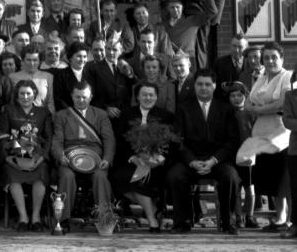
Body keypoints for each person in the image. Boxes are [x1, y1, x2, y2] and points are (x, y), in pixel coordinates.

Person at [165, 68, 241, 235]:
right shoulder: (183, 108)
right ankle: (182, 221)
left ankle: (228, 221)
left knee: (231, 176)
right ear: (194, 86)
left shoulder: (226, 109)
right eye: (200, 84)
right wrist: (192, 161)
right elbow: (178, 140)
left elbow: (231, 142)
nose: (203, 88)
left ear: (214, 85)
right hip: (191, 159)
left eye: (207, 84)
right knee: (175, 175)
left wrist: (213, 160)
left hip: (217, 160)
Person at [237, 42, 292, 232]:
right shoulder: (261, 77)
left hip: (281, 133)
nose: (269, 61)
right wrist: (254, 108)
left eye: (274, 57)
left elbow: (283, 104)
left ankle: (289, 220)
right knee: (272, 178)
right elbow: (249, 101)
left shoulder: (288, 77)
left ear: (282, 58)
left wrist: (258, 109)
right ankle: (279, 217)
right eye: (266, 57)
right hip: (262, 133)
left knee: (284, 178)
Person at [111, 82, 176, 232]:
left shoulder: (166, 116)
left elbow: (172, 141)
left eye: (151, 95)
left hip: (157, 163)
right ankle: (153, 211)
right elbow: (120, 140)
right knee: (118, 176)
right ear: (138, 97)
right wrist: (132, 157)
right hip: (132, 160)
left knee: (141, 180)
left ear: (156, 97)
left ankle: (152, 219)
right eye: (144, 94)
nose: (148, 97)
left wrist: (159, 158)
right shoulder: (127, 114)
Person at [51, 81, 115, 231]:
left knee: (100, 176)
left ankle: (104, 218)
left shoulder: (101, 115)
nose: (81, 100)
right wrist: (60, 156)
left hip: (95, 159)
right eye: (77, 97)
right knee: (66, 176)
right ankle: (63, 220)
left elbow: (109, 139)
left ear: (91, 97)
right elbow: (57, 140)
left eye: (84, 97)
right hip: (69, 158)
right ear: (72, 97)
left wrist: (107, 159)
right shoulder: (61, 115)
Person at [0, 80, 53, 232]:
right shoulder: (8, 110)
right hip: (14, 156)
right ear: (16, 95)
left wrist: (42, 157)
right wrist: (8, 158)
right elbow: (2, 135)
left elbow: (48, 138)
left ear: (34, 94)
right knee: (11, 174)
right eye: (21, 93)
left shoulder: (43, 112)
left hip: (38, 157)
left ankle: (35, 218)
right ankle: (23, 217)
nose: (25, 96)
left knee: (41, 173)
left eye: (28, 93)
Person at [223, 81, 258, 229]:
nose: (236, 98)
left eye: (239, 95)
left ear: (245, 95)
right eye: (233, 96)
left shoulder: (251, 112)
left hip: (248, 153)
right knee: (236, 188)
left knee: (250, 187)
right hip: (232, 154)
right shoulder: (226, 113)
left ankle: (249, 216)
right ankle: (238, 217)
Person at [84, 38, 135, 133]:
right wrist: (105, 108)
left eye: (115, 50)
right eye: (108, 49)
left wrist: (129, 74)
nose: (111, 52)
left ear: (121, 51)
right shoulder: (94, 69)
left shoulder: (125, 67)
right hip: (103, 119)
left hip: (124, 118)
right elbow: (89, 96)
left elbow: (131, 90)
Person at [159, 0, 217, 71]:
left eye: (177, 7)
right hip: (169, 60)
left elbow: (213, 11)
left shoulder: (192, 21)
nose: (175, 10)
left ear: (182, 8)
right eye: (172, 7)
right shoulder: (163, 25)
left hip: (188, 59)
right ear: (168, 9)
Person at [9, 44, 55, 114]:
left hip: (41, 118)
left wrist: (48, 119)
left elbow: (51, 102)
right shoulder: (12, 77)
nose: (32, 63)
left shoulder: (48, 77)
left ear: (39, 61)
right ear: (23, 60)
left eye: (35, 60)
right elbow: (11, 101)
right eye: (28, 60)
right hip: (18, 117)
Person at [52, 41, 89, 111]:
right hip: (68, 116)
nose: (82, 60)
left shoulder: (91, 74)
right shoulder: (60, 74)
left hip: (88, 116)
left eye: (85, 56)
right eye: (79, 56)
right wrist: (73, 113)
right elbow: (58, 99)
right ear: (70, 57)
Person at [281, 84, 297, 239]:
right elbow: (287, 121)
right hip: (295, 150)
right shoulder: (290, 96)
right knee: (296, 189)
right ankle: (295, 225)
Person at [214, 33, 249, 101]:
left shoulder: (250, 63)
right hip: (225, 103)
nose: (236, 50)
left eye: (240, 47)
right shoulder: (219, 63)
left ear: (246, 48)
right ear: (230, 46)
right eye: (234, 46)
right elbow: (215, 87)